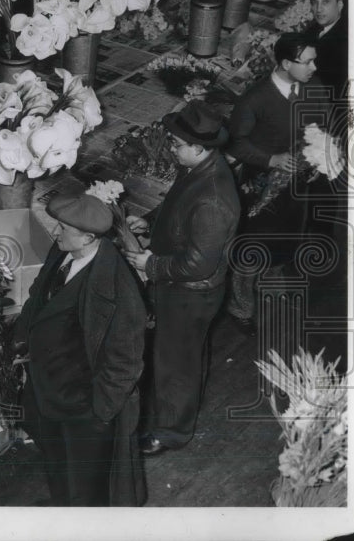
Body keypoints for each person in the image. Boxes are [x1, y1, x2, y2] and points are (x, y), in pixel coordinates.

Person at [13, 194, 147, 506]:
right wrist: (22, 339)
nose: (55, 232)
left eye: (62, 228)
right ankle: (63, 508)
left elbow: (125, 364)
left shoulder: (116, 289)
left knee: (87, 484)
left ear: (89, 237)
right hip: (49, 389)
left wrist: (99, 413)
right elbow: (38, 295)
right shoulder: (64, 250)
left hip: (83, 406)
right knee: (56, 461)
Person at [123, 101, 241, 455]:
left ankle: (171, 432)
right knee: (181, 354)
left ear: (199, 148)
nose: (172, 149)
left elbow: (198, 265)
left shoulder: (214, 201)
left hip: (191, 294)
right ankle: (173, 417)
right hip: (183, 288)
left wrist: (151, 264)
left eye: (176, 145)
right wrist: (152, 221)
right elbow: (178, 204)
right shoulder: (198, 168)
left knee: (177, 362)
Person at [224, 33, 332, 334]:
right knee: (254, 244)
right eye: (307, 61)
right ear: (286, 64)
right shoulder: (255, 99)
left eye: (313, 59)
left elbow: (323, 126)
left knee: (287, 237)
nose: (314, 66)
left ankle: (271, 283)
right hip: (262, 188)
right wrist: (272, 160)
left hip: (298, 185)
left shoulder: (316, 87)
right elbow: (236, 143)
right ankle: (241, 305)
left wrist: (320, 156)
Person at [306, 0, 348, 99]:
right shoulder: (315, 29)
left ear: (339, 5)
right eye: (315, 2)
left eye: (326, 2)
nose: (319, 9)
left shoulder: (342, 42)